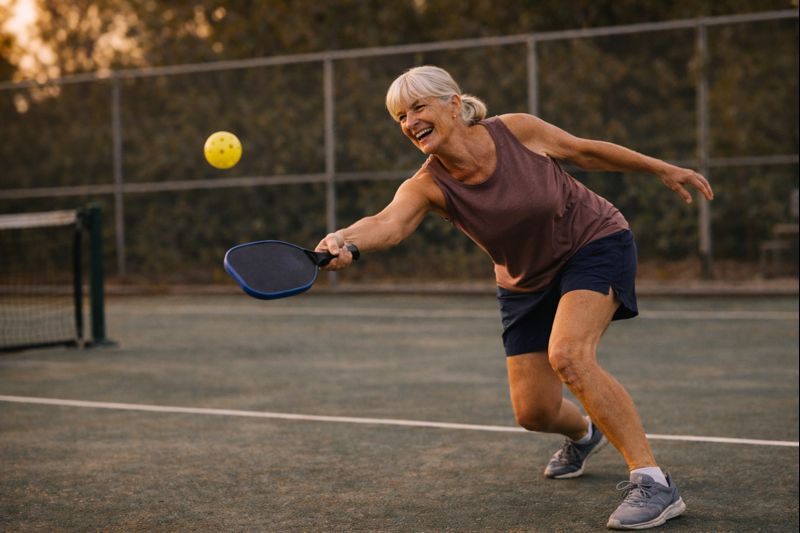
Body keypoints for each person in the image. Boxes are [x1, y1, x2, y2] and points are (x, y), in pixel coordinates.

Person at [315, 65, 714, 530]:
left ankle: (654, 482)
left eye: (418, 107)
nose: (409, 122)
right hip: (524, 281)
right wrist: (345, 239)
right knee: (534, 412)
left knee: (568, 355)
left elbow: (584, 152)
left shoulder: (517, 131)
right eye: (400, 116)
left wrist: (661, 167)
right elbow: (389, 223)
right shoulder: (426, 184)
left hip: (593, 242)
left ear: (453, 103)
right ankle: (584, 434)